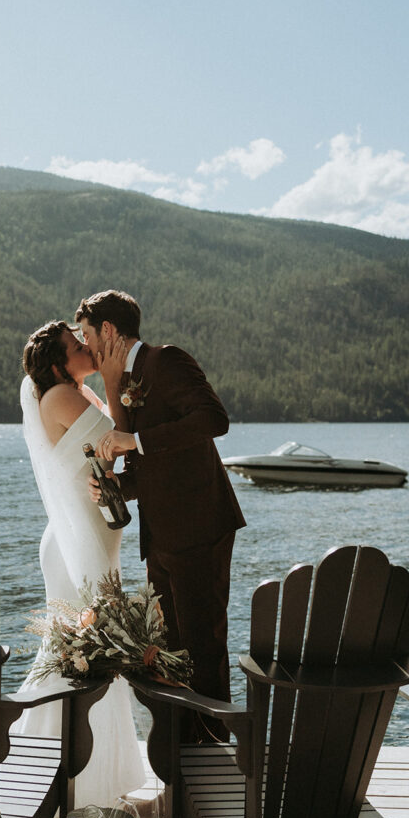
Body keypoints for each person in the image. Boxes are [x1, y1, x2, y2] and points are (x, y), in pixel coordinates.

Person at [76, 290, 246, 745]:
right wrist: (116, 489)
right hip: (162, 537)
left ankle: (212, 754)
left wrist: (137, 441)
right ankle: (184, 759)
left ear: (109, 330)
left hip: (201, 527)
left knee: (204, 647)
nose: (86, 346)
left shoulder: (165, 360)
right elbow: (148, 465)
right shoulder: (124, 380)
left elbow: (213, 419)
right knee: (170, 652)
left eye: (88, 335)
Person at [13, 319, 146, 807]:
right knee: (80, 654)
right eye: (76, 346)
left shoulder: (76, 395)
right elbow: (119, 438)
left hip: (90, 533)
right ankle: (51, 775)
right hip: (76, 541)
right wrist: (114, 374)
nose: (86, 347)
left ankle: (89, 780)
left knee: (92, 654)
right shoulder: (59, 399)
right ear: (57, 364)